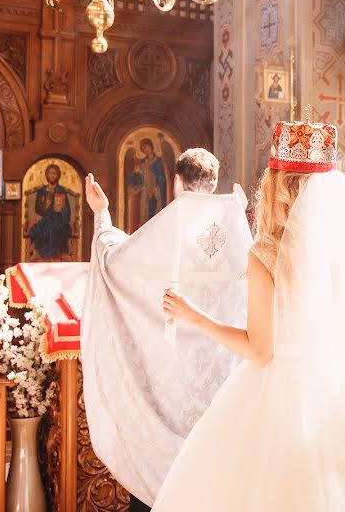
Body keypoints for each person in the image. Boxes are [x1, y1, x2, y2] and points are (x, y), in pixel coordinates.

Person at [154, 119, 345, 512]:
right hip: (342, 389)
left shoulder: (266, 254)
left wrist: (197, 317)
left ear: (276, 185)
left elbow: (261, 350)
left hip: (278, 393)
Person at [82, 148, 252, 509]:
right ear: (215, 181)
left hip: (169, 380)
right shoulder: (238, 231)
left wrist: (102, 214)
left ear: (176, 181)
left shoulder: (168, 229)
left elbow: (115, 261)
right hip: (223, 379)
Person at [28, 163, 73, 260]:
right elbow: (38, 209)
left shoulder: (61, 191)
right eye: (50, 173)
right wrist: (46, 206)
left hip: (60, 219)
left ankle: (45, 253)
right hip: (46, 218)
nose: (52, 176)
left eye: (54, 173)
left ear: (58, 175)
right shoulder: (42, 191)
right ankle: (45, 253)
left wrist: (62, 210)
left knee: (55, 228)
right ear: (46, 175)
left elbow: (67, 210)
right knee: (43, 228)